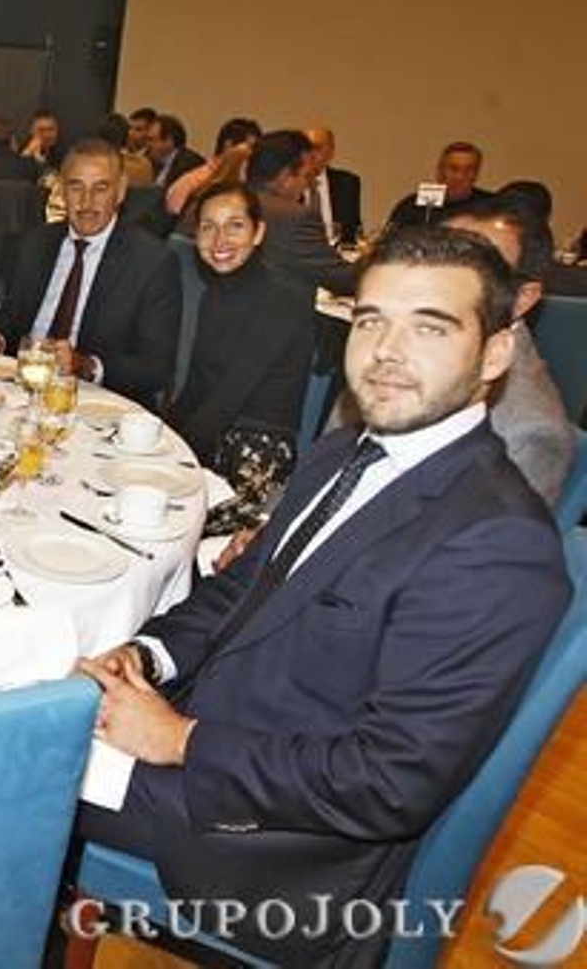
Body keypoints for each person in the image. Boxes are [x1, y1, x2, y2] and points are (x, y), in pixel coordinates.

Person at [71, 225, 570, 965]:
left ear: (495, 353)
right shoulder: (346, 448)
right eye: (370, 320)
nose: (386, 352)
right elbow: (243, 588)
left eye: (429, 327)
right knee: (28, 699)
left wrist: (178, 741)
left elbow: (390, 782)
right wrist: (148, 657)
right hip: (216, 731)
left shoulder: (496, 543)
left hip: (276, 846)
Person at [331, 196, 574, 506]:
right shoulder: (387, 353)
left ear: (523, 297)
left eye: (480, 263)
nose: (439, 273)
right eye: (438, 250)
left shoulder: (528, 431)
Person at [170, 183, 313, 532]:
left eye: (235, 225)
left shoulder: (283, 298)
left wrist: (174, 462)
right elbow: (198, 384)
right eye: (208, 226)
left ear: (258, 231)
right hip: (213, 436)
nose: (220, 240)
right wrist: (163, 437)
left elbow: (232, 392)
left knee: (168, 525)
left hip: (258, 452)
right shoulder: (214, 293)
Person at [2, 139, 182, 407]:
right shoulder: (36, 242)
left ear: (120, 191)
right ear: (61, 190)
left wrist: (85, 365)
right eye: (76, 187)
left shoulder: (152, 262)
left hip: (95, 405)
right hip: (22, 389)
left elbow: (156, 368)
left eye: (101, 188)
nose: (87, 202)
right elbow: (12, 323)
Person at [246, 129, 356, 294]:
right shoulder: (292, 217)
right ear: (286, 177)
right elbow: (345, 281)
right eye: (306, 176)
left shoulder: (222, 203)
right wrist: (378, 258)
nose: (308, 185)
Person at [164, 116, 261, 218]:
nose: (253, 153)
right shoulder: (193, 181)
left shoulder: (250, 182)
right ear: (228, 146)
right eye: (250, 147)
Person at [386, 141, 491, 228]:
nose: (460, 177)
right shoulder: (411, 206)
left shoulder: (490, 206)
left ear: (476, 173)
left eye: (468, 170)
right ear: (440, 170)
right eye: (453, 169)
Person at [303, 125, 362, 245]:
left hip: (337, 255)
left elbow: (353, 231)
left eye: (316, 147)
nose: (310, 154)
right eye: (305, 148)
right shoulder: (288, 184)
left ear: (331, 152)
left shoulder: (347, 183)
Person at [147, 113, 206, 189]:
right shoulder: (152, 161)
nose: (147, 145)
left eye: (151, 140)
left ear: (169, 141)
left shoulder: (189, 164)